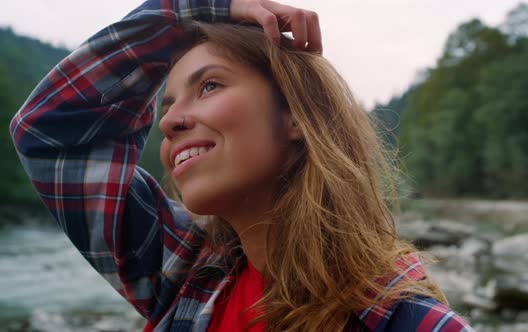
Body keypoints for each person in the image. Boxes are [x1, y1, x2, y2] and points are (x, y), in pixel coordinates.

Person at [9, 0, 474, 331]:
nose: (169, 120)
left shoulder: (402, 319)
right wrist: (201, 7)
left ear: (295, 116)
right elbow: (52, 132)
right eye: (167, 104)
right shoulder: (184, 270)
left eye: (209, 86)